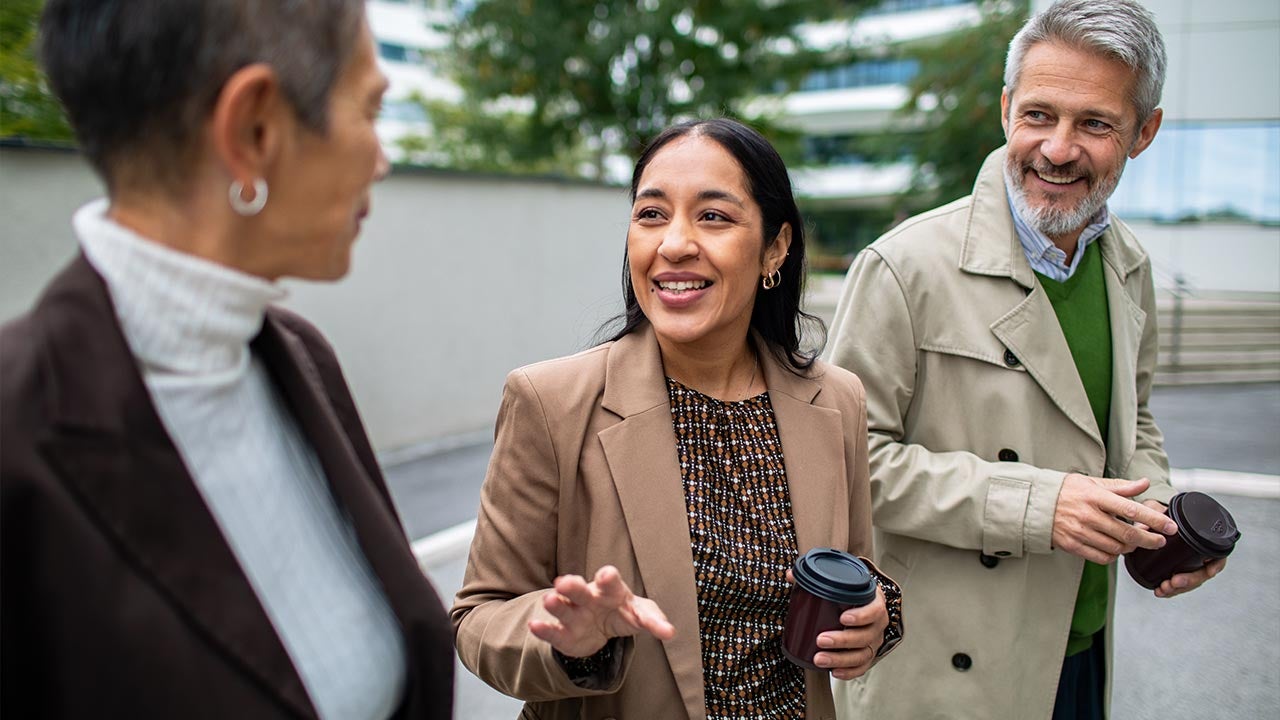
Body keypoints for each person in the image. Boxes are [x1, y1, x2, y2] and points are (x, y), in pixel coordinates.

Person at [0, 1, 453, 717]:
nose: (383, 158)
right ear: (254, 130)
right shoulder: (17, 437)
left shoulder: (302, 361)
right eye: (369, 111)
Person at [826, 1, 1227, 719]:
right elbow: (846, 464)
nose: (1059, 148)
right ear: (1007, 109)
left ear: (1145, 133)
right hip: (942, 670)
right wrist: (1039, 506)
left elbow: (1135, 428)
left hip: (1077, 650)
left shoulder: (1128, 266)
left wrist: (1162, 521)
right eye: (1039, 115)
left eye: (1095, 123)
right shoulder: (903, 265)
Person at [451, 118, 904, 719]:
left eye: (713, 216)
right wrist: (570, 641)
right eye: (651, 214)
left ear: (775, 246)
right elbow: (479, 616)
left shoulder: (835, 399)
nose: (674, 244)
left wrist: (877, 618)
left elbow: (851, 568)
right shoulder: (549, 400)